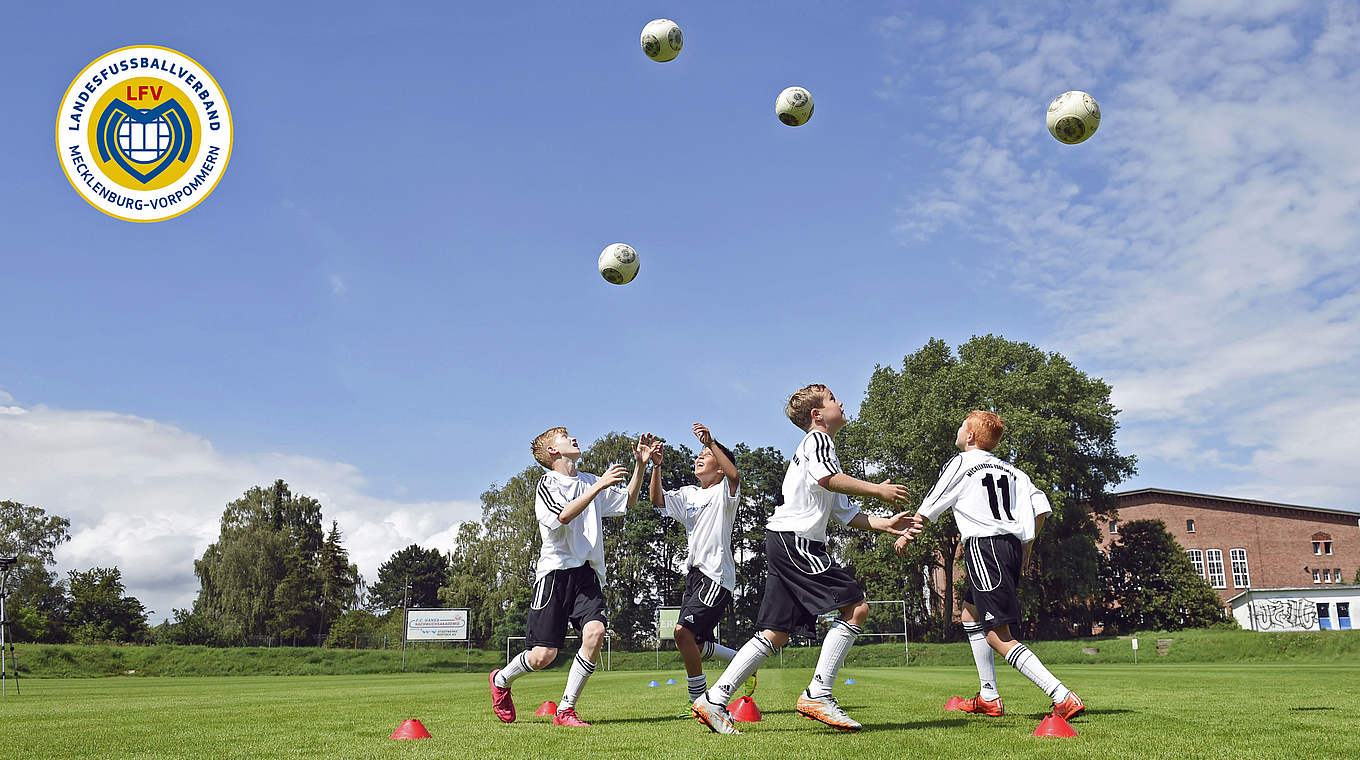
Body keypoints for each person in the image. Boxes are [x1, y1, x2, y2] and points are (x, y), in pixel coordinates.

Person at [691, 384, 916, 734]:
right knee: (856, 608)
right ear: (817, 415)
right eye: (832, 399)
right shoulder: (818, 442)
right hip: (797, 541)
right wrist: (879, 490)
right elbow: (831, 480)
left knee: (776, 632)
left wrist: (886, 524)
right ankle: (818, 694)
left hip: (781, 539)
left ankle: (715, 699)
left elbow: (844, 511)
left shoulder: (816, 449)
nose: (840, 402)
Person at [895, 410, 1084, 721]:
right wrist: (1026, 550)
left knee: (997, 634)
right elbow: (1041, 509)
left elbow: (931, 504)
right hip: (1008, 547)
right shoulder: (1013, 471)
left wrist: (907, 535)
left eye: (960, 427)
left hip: (985, 547)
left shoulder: (961, 463)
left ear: (969, 437)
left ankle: (1061, 695)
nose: (957, 431)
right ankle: (989, 697)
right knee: (969, 613)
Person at [488, 427, 650, 728]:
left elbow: (627, 502)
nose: (574, 438)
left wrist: (640, 465)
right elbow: (564, 515)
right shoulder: (548, 483)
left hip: (586, 574)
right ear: (553, 451)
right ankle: (501, 679)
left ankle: (565, 710)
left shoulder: (589, 481)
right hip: (555, 574)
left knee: (596, 633)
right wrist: (599, 485)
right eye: (565, 437)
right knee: (543, 655)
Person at [649, 423, 751, 711]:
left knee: (681, 633)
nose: (700, 457)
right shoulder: (689, 494)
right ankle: (742, 660)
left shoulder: (725, 493)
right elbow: (657, 500)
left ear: (718, 466)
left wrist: (713, 442)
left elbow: (734, 474)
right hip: (694, 575)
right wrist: (656, 467)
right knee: (694, 642)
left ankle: (698, 699)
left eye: (706, 455)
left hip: (716, 575)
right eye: (701, 453)